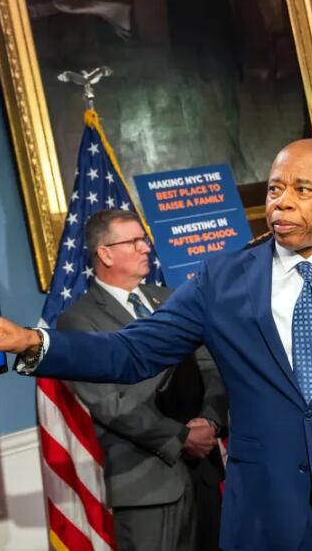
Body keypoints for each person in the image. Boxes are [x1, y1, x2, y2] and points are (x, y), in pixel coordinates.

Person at [0, 139, 312, 550]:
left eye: (302, 190)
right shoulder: (222, 281)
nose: (281, 202)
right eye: (274, 189)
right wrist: (31, 342)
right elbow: (130, 352)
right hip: (262, 523)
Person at [58, 209, 227, 551]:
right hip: (146, 484)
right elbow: (109, 403)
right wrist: (181, 437)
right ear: (105, 253)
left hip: (205, 470)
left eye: (143, 239)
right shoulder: (77, 321)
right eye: (133, 241)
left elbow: (212, 366)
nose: (145, 248)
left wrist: (209, 421)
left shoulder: (172, 300)